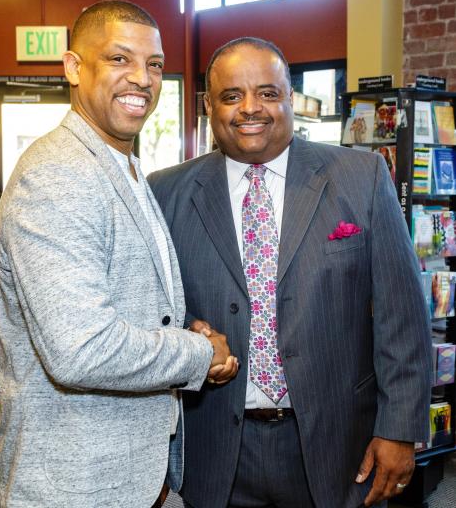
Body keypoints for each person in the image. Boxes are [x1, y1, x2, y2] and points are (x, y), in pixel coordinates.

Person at [148, 37, 432, 508]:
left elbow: (402, 315)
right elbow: (152, 311)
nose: (250, 108)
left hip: (340, 444)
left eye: (267, 93)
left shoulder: (361, 177)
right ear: (208, 106)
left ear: (290, 99)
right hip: (215, 446)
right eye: (232, 95)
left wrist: (400, 430)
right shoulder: (165, 192)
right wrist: (189, 331)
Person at [0, 0, 237, 508]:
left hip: (126, 476)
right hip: (70, 486)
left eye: (154, 64)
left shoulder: (122, 163)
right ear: (73, 67)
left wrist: (181, 327)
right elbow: (81, 349)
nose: (142, 79)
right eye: (119, 59)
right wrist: (197, 353)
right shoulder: (56, 175)